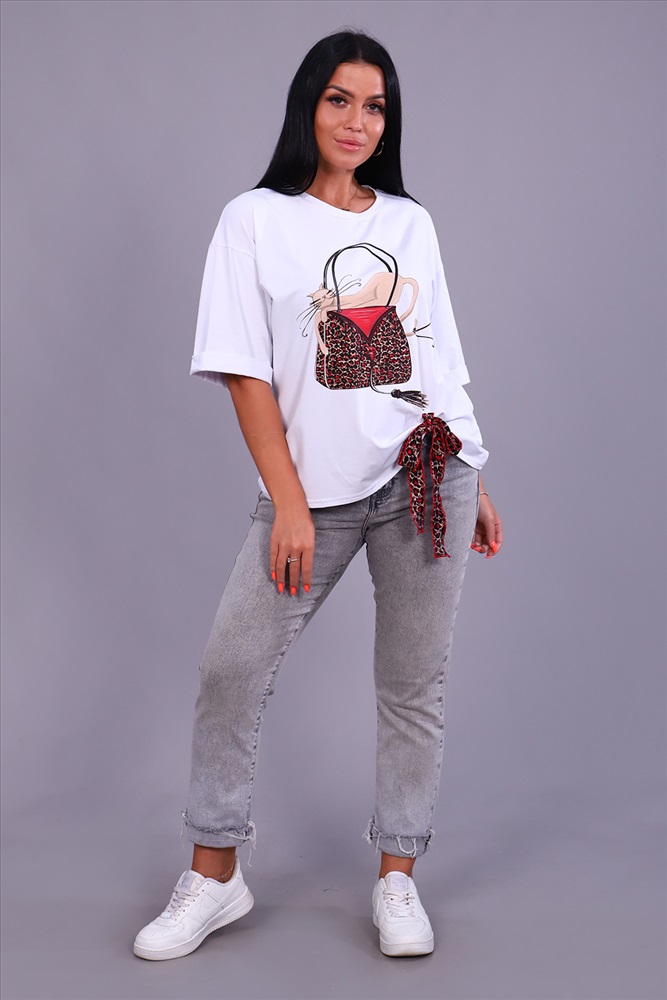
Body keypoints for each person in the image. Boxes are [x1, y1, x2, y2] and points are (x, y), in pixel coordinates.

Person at [133, 28, 502, 962]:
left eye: (375, 106)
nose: (356, 121)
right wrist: (288, 501)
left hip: (428, 477)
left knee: (411, 687)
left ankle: (396, 878)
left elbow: (439, 362)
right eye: (339, 99)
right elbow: (243, 371)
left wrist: (476, 467)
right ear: (308, 104)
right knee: (230, 669)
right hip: (311, 495)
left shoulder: (409, 224)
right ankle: (214, 876)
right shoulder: (254, 219)